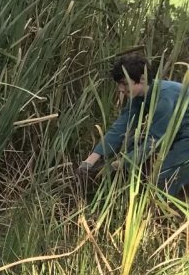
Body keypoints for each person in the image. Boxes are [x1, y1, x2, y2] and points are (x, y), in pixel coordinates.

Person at [76, 51, 188, 197]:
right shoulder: (138, 97)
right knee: (135, 149)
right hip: (178, 134)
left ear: (142, 79)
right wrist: (90, 160)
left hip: (185, 136)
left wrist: (119, 164)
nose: (120, 89)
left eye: (124, 83)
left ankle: (163, 215)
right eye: (119, 84)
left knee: (164, 176)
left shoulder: (164, 98)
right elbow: (120, 128)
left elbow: (154, 140)